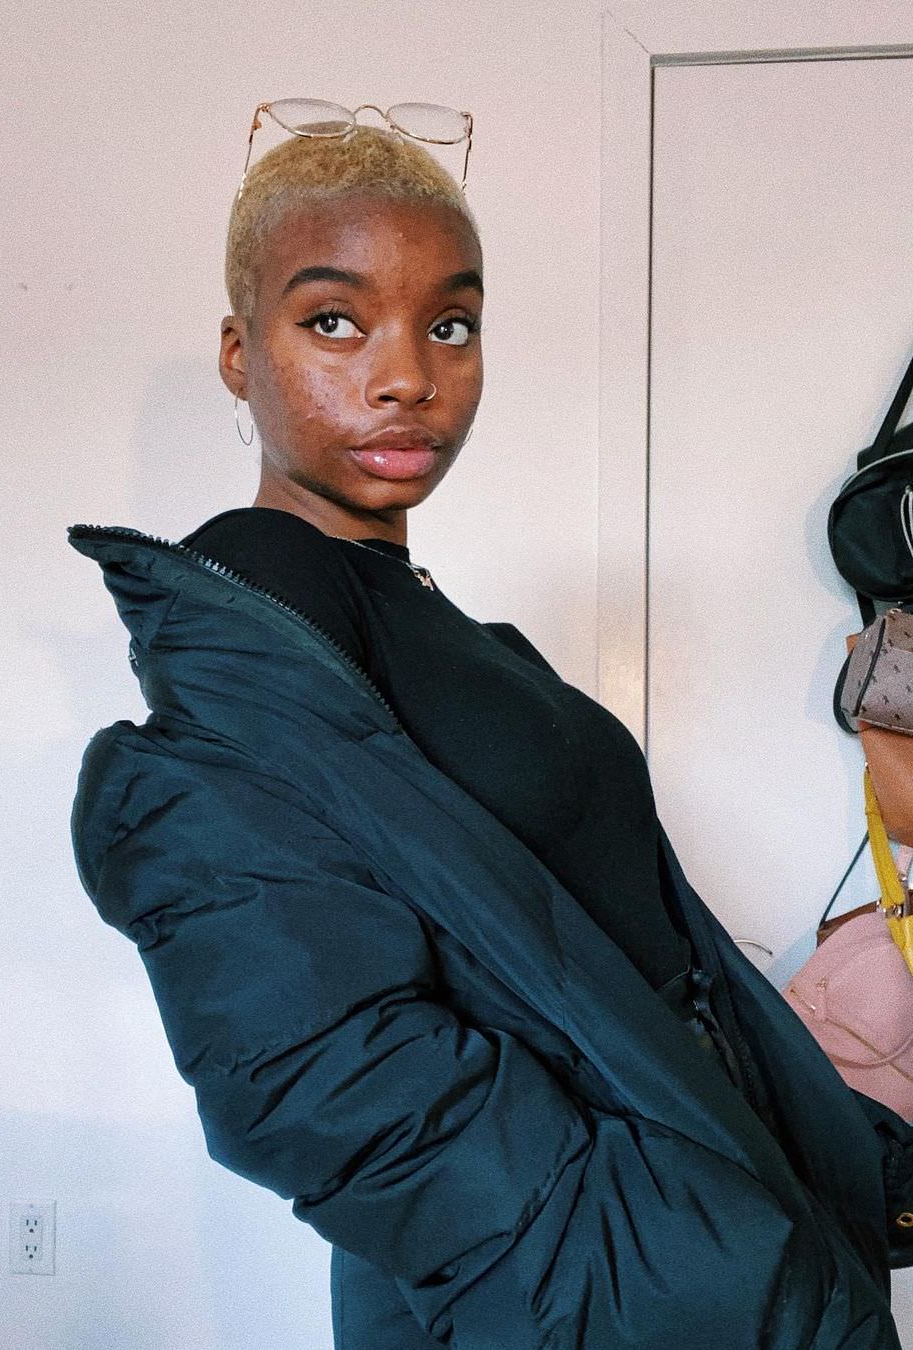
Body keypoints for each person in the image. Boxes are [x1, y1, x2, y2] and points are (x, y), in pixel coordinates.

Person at [68, 112, 913, 1349]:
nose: (406, 375)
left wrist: (833, 1163)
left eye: (450, 324)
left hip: (703, 1241)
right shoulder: (259, 637)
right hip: (598, 1301)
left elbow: (620, 969)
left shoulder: (445, 631)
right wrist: (716, 1273)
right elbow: (322, 1075)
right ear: (240, 355)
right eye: (334, 321)